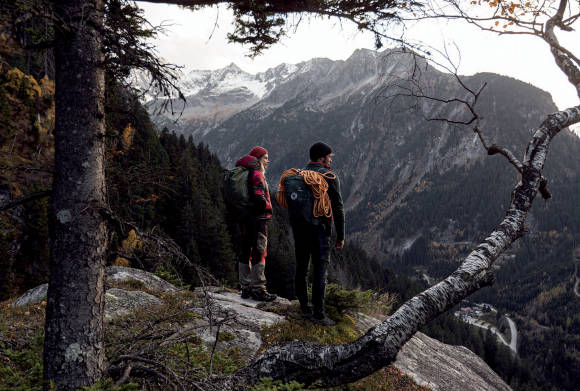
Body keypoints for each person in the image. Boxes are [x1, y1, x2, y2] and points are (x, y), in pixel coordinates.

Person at [289, 142, 345, 325]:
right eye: (329, 156)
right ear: (322, 158)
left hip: (299, 228)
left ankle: (304, 309)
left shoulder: (298, 175)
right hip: (320, 230)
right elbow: (338, 207)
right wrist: (341, 235)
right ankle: (319, 315)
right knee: (320, 270)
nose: (330, 159)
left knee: (302, 268)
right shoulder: (329, 176)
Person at [235, 146, 277, 302]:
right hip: (258, 220)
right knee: (260, 251)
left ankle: (245, 288)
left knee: (245, 250)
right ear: (258, 158)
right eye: (265, 157)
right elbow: (259, 197)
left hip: (245, 218)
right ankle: (258, 288)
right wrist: (268, 207)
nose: (268, 161)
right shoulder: (257, 174)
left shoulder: (244, 171)